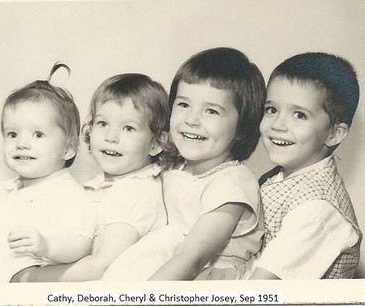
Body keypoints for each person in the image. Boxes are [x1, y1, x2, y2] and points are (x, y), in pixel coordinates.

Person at [102, 47, 266, 280]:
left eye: (211, 111)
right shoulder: (174, 168)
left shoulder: (232, 183)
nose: (191, 120)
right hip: (161, 270)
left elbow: (192, 258)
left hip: (200, 282)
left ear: (241, 128)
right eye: (183, 105)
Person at [11, 73, 169, 282]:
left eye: (128, 128)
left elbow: (101, 267)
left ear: (156, 144)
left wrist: (30, 278)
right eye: (102, 123)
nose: (111, 137)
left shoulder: (134, 192)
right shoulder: (99, 187)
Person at [0, 63, 96, 282]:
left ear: (68, 148)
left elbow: (82, 244)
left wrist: (47, 246)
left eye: (38, 134)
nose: (22, 143)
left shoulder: (68, 194)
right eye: (12, 134)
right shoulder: (3, 191)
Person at [249, 52, 362, 279]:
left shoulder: (318, 210)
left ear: (334, 134)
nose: (277, 125)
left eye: (299, 115)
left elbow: (259, 292)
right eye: (271, 109)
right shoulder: (282, 177)